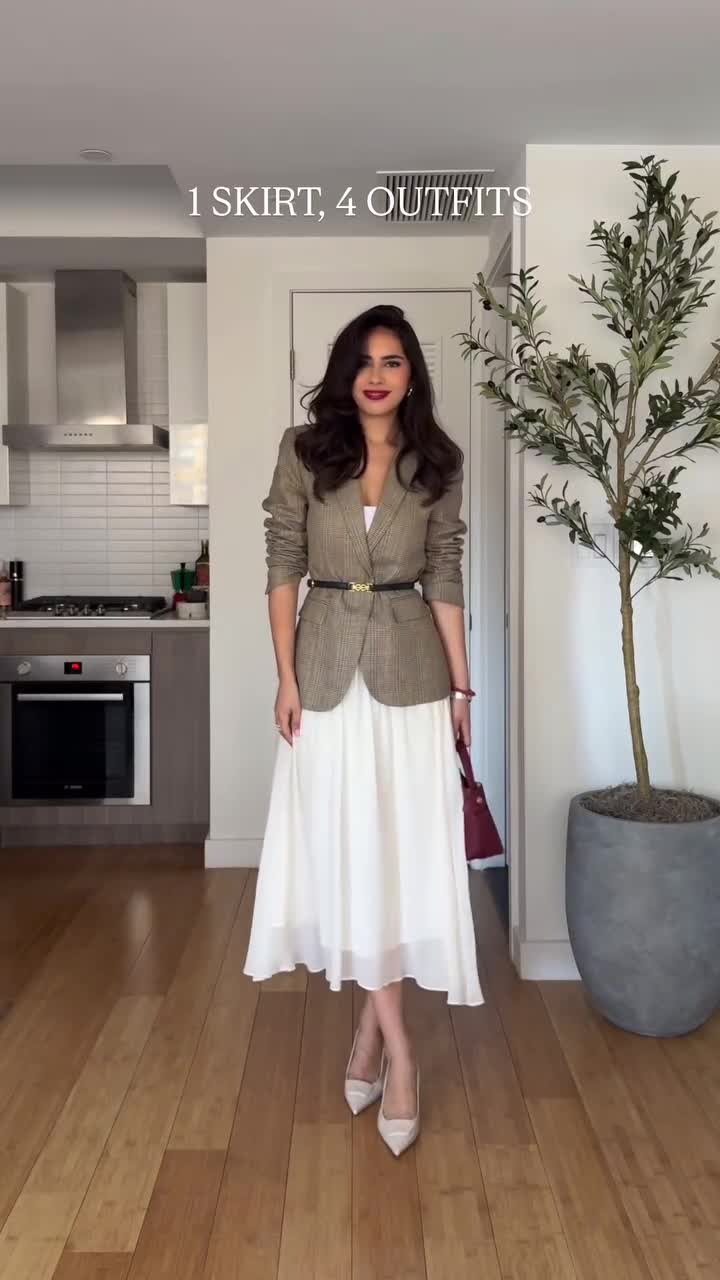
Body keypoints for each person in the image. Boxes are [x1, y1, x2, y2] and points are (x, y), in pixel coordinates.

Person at [243, 303, 484, 1157]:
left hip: (412, 675)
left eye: (392, 361)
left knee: (398, 853)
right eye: (363, 362)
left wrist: (462, 686)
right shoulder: (306, 451)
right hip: (323, 675)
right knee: (347, 848)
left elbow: (445, 572)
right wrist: (285, 677)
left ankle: (374, 1037)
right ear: (345, 374)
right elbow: (283, 559)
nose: (376, 376)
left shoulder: (437, 462)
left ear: (412, 375)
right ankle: (398, 1048)